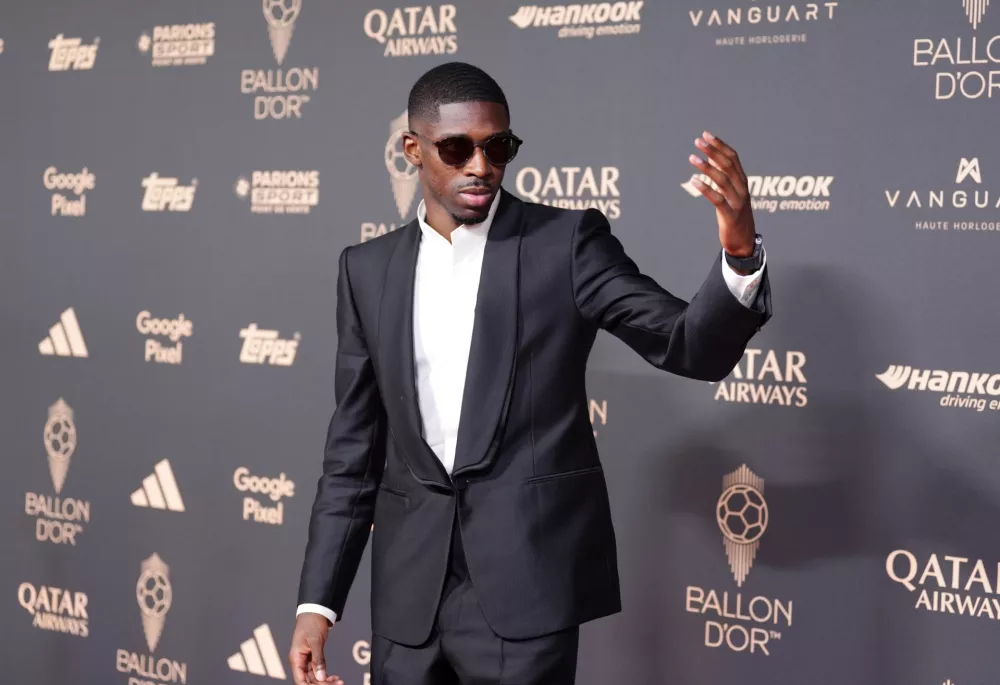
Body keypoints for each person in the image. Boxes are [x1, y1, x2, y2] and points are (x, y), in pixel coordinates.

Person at [289, 61, 771, 685]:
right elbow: (351, 452)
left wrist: (738, 252)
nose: (480, 166)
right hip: (408, 603)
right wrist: (317, 605)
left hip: (525, 595)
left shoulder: (565, 243)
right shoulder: (366, 270)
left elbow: (688, 346)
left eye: (498, 147)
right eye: (457, 148)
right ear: (413, 149)